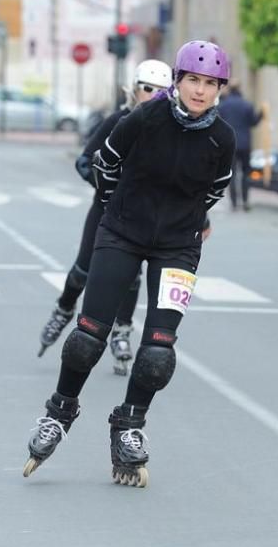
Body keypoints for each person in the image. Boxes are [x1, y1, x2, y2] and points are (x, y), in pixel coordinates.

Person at [23, 41, 235, 488]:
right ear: (177, 82)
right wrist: (122, 211)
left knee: (158, 353)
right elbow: (107, 165)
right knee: (88, 338)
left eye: (210, 84)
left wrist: (187, 220)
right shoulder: (143, 117)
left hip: (178, 247)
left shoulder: (222, 138)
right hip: (121, 233)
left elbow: (214, 191)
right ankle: (59, 411)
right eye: (193, 80)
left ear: (220, 89)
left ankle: (130, 424)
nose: (200, 91)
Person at [37, 59, 174, 376]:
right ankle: (64, 307)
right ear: (134, 91)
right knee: (84, 270)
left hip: (145, 217)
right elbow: (85, 160)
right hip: (107, 210)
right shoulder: (120, 121)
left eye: (162, 92)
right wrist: (104, 181)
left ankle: (122, 332)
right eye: (147, 90)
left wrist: (199, 217)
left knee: (132, 276)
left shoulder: (172, 131)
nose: (153, 97)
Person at [218, 82, 262, 212]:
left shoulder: (223, 106)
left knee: (231, 174)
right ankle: (245, 201)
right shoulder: (247, 105)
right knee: (246, 174)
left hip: (230, 144)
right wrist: (261, 114)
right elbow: (254, 122)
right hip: (245, 144)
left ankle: (234, 203)